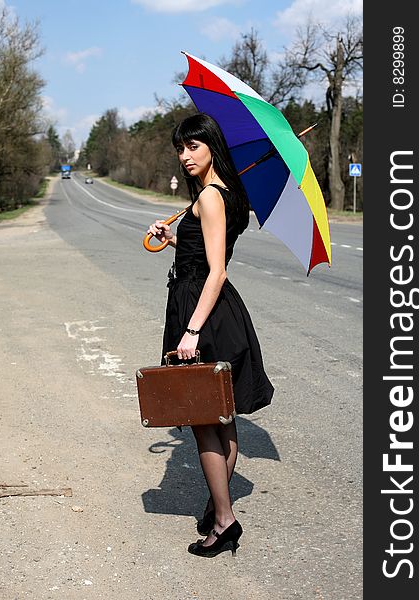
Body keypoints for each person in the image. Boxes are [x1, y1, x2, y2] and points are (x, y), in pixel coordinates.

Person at [147, 113, 274, 558]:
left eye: (193, 147)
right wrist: (171, 239)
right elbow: (204, 251)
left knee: (204, 419)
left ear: (212, 148)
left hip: (206, 312)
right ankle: (217, 509)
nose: (184, 156)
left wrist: (192, 331)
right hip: (208, 305)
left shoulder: (213, 197)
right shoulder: (220, 195)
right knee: (221, 414)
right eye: (180, 148)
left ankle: (224, 520)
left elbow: (216, 272)